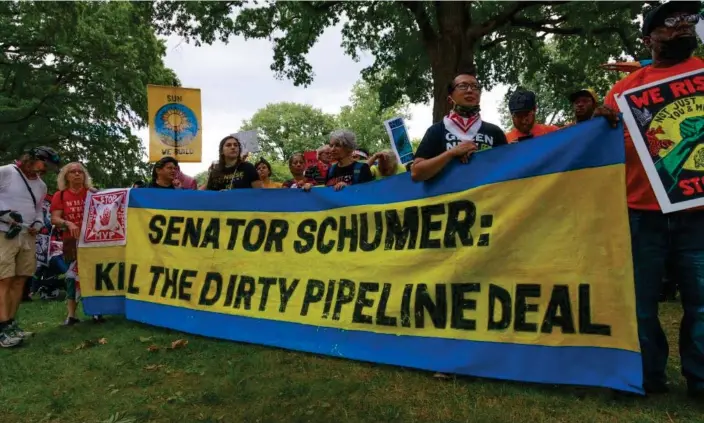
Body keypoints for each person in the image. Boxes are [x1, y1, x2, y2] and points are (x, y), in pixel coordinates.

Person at [599, 0, 704, 399]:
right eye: (669, 23)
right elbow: (598, 147)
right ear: (649, 39)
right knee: (641, 305)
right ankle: (645, 376)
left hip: (699, 214)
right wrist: (600, 122)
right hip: (642, 214)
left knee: (701, 303)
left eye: (686, 22)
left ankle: (701, 380)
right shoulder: (623, 90)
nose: (680, 28)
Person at [0, 146, 59, 347]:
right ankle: (2, 327)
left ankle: (11, 323)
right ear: (32, 158)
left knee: (20, 280)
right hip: (4, 233)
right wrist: (3, 213)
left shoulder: (41, 186)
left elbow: (38, 210)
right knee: (4, 279)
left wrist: (38, 223)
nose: (45, 170)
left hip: (27, 235)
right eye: (44, 164)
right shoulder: (7, 172)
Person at [411, 71, 507, 182]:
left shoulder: (494, 132)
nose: (470, 90)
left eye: (475, 87)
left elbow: (508, 168)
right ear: (450, 98)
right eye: (463, 86)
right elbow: (416, 173)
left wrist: (480, 158)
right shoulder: (436, 131)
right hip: (449, 197)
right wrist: (451, 153)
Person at [50, 162, 104, 325]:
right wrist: (68, 223)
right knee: (71, 278)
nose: (77, 174)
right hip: (71, 242)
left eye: (80, 171)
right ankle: (72, 315)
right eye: (73, 172)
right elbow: (54, 218)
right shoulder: (60, 196)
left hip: (92, 241)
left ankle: (96, 312)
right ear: (66, 176)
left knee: (94, 275)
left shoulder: (92, 193)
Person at [303, 130, 373, 191]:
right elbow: (326, 193)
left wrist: (348, 188)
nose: (332, 149)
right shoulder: (331, 170)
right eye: (331, 145)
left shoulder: (362, 168)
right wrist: (312, 188)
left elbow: (368, 193)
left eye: (337, 145)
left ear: (349, 148)